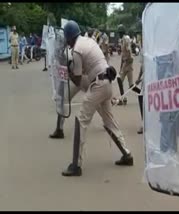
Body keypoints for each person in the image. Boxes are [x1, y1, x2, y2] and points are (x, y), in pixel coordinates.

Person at [61, 20, 134, 177]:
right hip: (106, 81)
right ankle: (126, 154)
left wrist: (69, 70)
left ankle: (76, 165)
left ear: (69, 38)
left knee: (81, 121)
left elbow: (79, 81)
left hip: (99, 84)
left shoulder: (76, 51)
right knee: (109, 121)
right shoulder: (88, 41)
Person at [116, 24, 135, 106]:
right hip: (124, 63)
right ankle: (123, 98)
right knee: (121, 81)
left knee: (130, 84)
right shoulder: (122, 40)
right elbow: (123, 54)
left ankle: (142, 94)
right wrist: (121, 67)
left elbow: (129, 51)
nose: (118, 34)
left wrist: (129, 60)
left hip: (128, 63)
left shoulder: (126, 39)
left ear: (122, 32)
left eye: (119, 33)